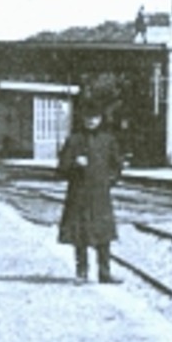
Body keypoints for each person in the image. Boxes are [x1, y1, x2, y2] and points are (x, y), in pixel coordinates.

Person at [57, 109, 123, 284]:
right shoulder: (73, 140)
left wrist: (109, 181)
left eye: (95, 117)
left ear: (101, 118)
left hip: (100, 194)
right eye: (88, 116)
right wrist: (74, 164)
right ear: (83, 118)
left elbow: (117, 166)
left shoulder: (108, 140)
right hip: (78, 194)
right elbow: (61, 169)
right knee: (80, 234)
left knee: (104, 235)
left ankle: (105, 273)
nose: (91, 120)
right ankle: (82, 273)